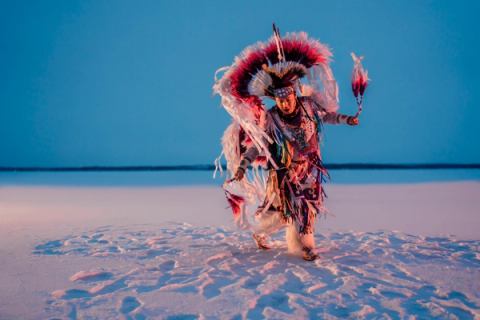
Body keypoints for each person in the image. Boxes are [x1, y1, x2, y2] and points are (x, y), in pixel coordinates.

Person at [213, 25, 365, 261]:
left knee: (306, 208)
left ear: (294, 94)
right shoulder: (271, 118)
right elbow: (259, 145)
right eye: (280, 100)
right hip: (283, 173)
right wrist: (243, 164)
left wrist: (347, 119)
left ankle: (304, 246)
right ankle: (261, 233)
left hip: (309, 169)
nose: (285, 103)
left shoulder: (309, 105)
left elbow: (327, 116)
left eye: (288, 97)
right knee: (276, 210)